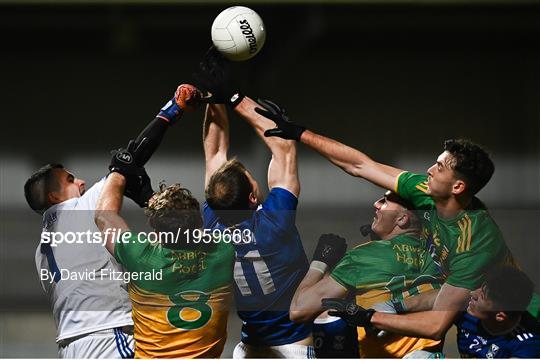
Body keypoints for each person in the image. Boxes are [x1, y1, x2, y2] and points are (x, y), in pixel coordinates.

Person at [260, 112, 517, 341]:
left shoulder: (473, 241)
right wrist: (300, 133)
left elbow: (436, 325)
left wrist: (370, 317)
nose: (429, 170)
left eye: (438, 167)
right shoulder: (425, 193)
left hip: (516, 323)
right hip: (476, 315)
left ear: (457, 187)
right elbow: (360, 165)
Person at [24, 83, 197, 358]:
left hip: (72, 347)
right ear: (55, 196)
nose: (80, 181)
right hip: (108, 335)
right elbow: (129, 160)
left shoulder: (40, 251)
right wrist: (173, 109)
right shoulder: (81, 208)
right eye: (70, 180)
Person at [94, 85, 235, 357]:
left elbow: (104, 216)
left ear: (155, 229)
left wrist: (119, 171)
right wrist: (215, 98)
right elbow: (217, 163)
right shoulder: (223, 251)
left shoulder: (141, 256)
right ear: (199, 224)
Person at [196, 49, 313, 358]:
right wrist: (234, 97)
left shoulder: (211, 221)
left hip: (249, 346)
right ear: (252, 196)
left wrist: (213, 94)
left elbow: (214, 151)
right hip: (293, 346)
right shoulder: (275, 223)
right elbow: (283, 149)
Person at [290, 192, 443, 357]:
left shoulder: (365, 255)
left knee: (331, 316)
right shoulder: (440, 255)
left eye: (385, 202)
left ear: (401, 219)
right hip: (429, 353)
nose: (376, 204)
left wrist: (319, 262)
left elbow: (299, 310)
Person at [456, 265, 539, 358]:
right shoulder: (467, 307)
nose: (473, 293)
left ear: (500, 316)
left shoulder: (528, 345)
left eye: (482, 296)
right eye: (480, 286)